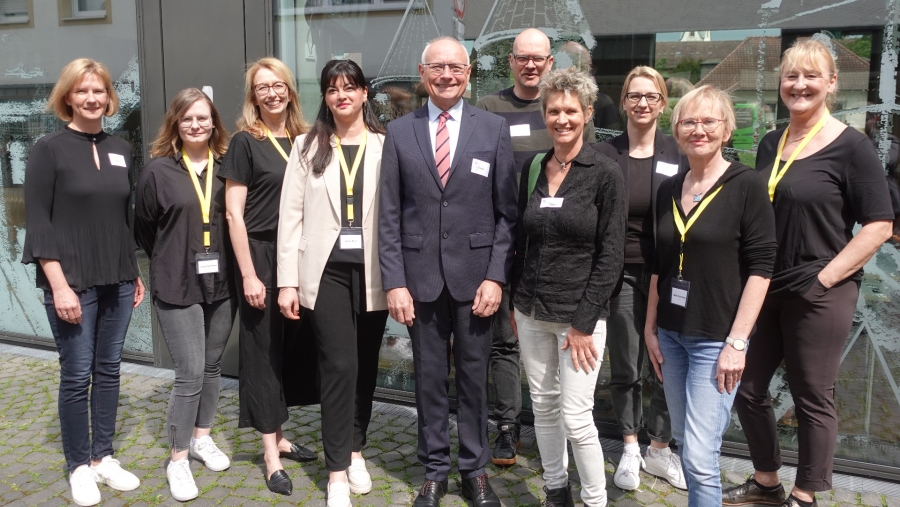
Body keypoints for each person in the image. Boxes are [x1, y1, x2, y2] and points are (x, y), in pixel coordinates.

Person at [726, 39, 894, 507]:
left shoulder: (852, 147)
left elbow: (879, 225)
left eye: (810, 76)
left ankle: (805, 494)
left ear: (831, 83)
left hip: (823, 288)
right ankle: (765, 482)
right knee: (749, 387)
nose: (799, 85)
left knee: (811, 397)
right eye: (791, 76)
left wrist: (824, 279)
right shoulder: (769, 142)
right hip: (768, 284)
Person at [378, 36, 518, 507]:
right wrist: (395, 281)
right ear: (423, 73)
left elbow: (507, 215)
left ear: (469, 72)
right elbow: (390, 216)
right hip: (419, 281)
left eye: (455, 67)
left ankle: (475, 471)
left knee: (476, 378)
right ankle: (435, 469)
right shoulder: (399, 133)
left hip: (477, 279)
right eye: (436, 67)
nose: (446, 75)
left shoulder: (493, 128)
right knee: (429, 378)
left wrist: (496, 276)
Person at [644, 85, 776, 506]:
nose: (698, 129)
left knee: (700, 457)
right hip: (670, 335)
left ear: (726, 129)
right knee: (685, 440)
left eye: (708, 121)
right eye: (689, 121)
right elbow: (658, 265)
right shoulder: (668, 188)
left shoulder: (747, 185)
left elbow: (761, 268)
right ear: (677, 130)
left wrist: (737, 342)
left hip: (715, 340)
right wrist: (649, 328)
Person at [22, 58, 145, 507]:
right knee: (76, 375)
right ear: (67, 97)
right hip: (72, 282)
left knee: (108, 370)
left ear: (109, 97)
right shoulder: (48, 149)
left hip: (115, 277)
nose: (92, 98)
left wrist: (132, 271)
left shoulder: (121, 147)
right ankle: (78, 466)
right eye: (82, 91)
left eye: (99, 91)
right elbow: (39, 224)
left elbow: (120, 219)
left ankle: (103, 458)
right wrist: (58, 286)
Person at [510, 66, 625, 507]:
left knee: (577, 417)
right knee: (542, 406)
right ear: (544, 114)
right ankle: (555, 490)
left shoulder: (605, 172)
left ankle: (595, 499)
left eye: (571, 111)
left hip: (579, 319)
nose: (562, 118)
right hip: (532, 312)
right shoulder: (535, 166)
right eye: (554, 110)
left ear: (588, 113)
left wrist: (581, 323)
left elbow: (610, 255)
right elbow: (525, 241)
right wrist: (517, 304)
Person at [277, 59, 390, 507]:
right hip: (324, 273)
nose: (341, 95)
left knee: (365, 364)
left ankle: (356, 447)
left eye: (350, 87)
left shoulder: (387, 144)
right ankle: (337, 471)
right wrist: (287, 283)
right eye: (332, 88)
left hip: (376, 273)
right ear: (324, 97)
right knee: (339, 365)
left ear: (365, 93)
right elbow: (290, 217)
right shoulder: (307, 146)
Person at [219, 57, 317, 497]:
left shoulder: (306, 138)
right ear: (253, 96)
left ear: (290, 91)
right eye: (262, 88)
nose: (272, 93)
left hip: (298, 255)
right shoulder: (245, 141)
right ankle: (270, 456)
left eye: (279, 85)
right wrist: (249, 276)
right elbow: (232, 214)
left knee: (288, 349)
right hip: (260, 255)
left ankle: (281, 434)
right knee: (261, 354)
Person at [134, 88, 237, 502]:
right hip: (176, 282)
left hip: (222, 282)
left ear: (214, 122)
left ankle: (201, 438)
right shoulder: (157, 172)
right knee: (190, 371)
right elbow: (144, 228)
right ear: (175, 123)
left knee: (212, 366)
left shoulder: (229, 166)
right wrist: (171, 255)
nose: (196, 125)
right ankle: (177, 460)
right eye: (187, 119)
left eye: (203, 118)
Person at [592, 66, 686, 491]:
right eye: (634, 95)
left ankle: (660, 448)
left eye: (651, 96)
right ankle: (630, 444)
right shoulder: (605, 154)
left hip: (671, 274)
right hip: (625, 272)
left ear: (663, 103)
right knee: (627, 361)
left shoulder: (680, 153)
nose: (642, 103)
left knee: (666, 364)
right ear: (624, 101)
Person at [474, 27, 562, 467]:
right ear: (511, 61)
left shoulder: (560, 108)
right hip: (505, 241)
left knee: (557, 338)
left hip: (554, 247)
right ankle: (508, 426)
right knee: (505, 341)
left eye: (539, 58)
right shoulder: (489, 107)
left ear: (551, 63)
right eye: (522, 57)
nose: (531, 65)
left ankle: (561, 426)